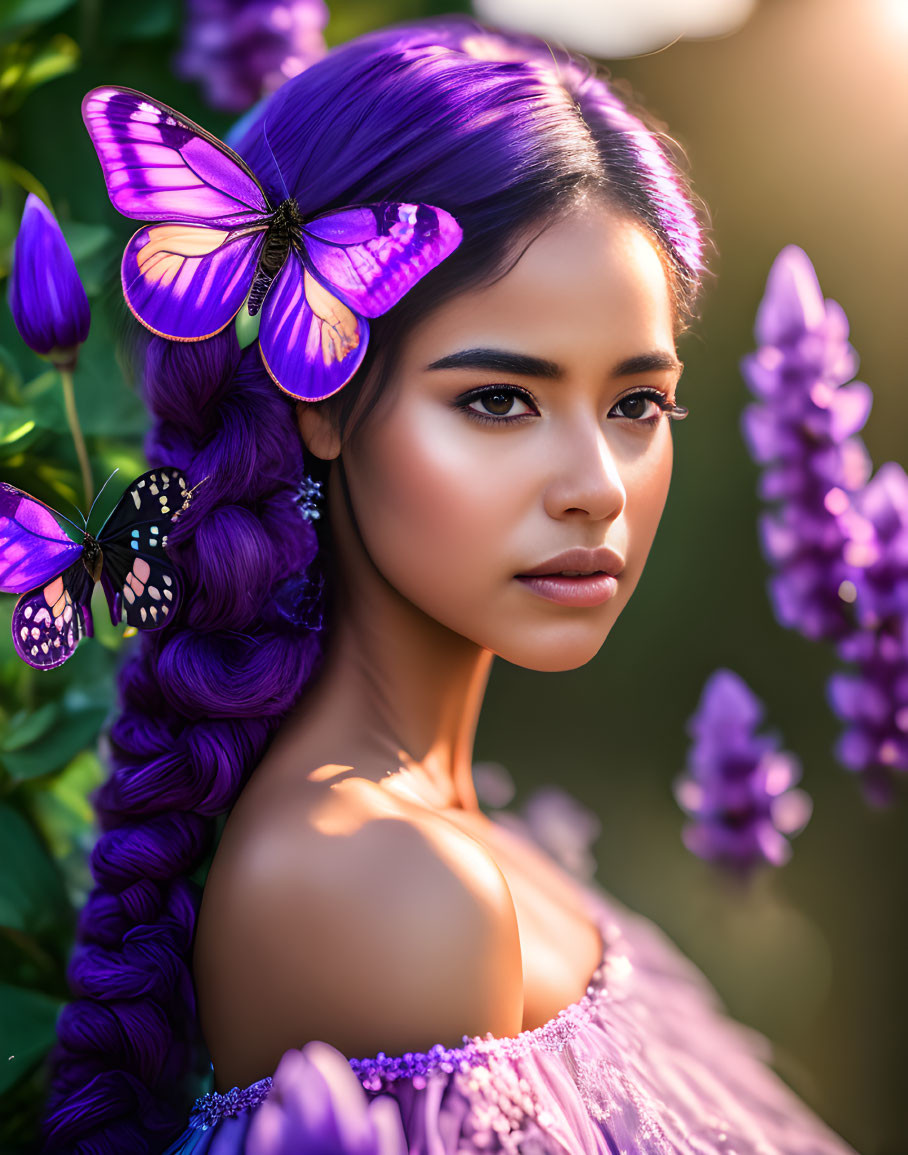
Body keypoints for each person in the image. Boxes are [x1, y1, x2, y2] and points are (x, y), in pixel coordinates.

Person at [41, 16, 858, 1154]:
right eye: (497, 400)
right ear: (319, 397)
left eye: (634, 405)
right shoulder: (376, 887)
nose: (594, 489)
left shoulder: (452, 839)